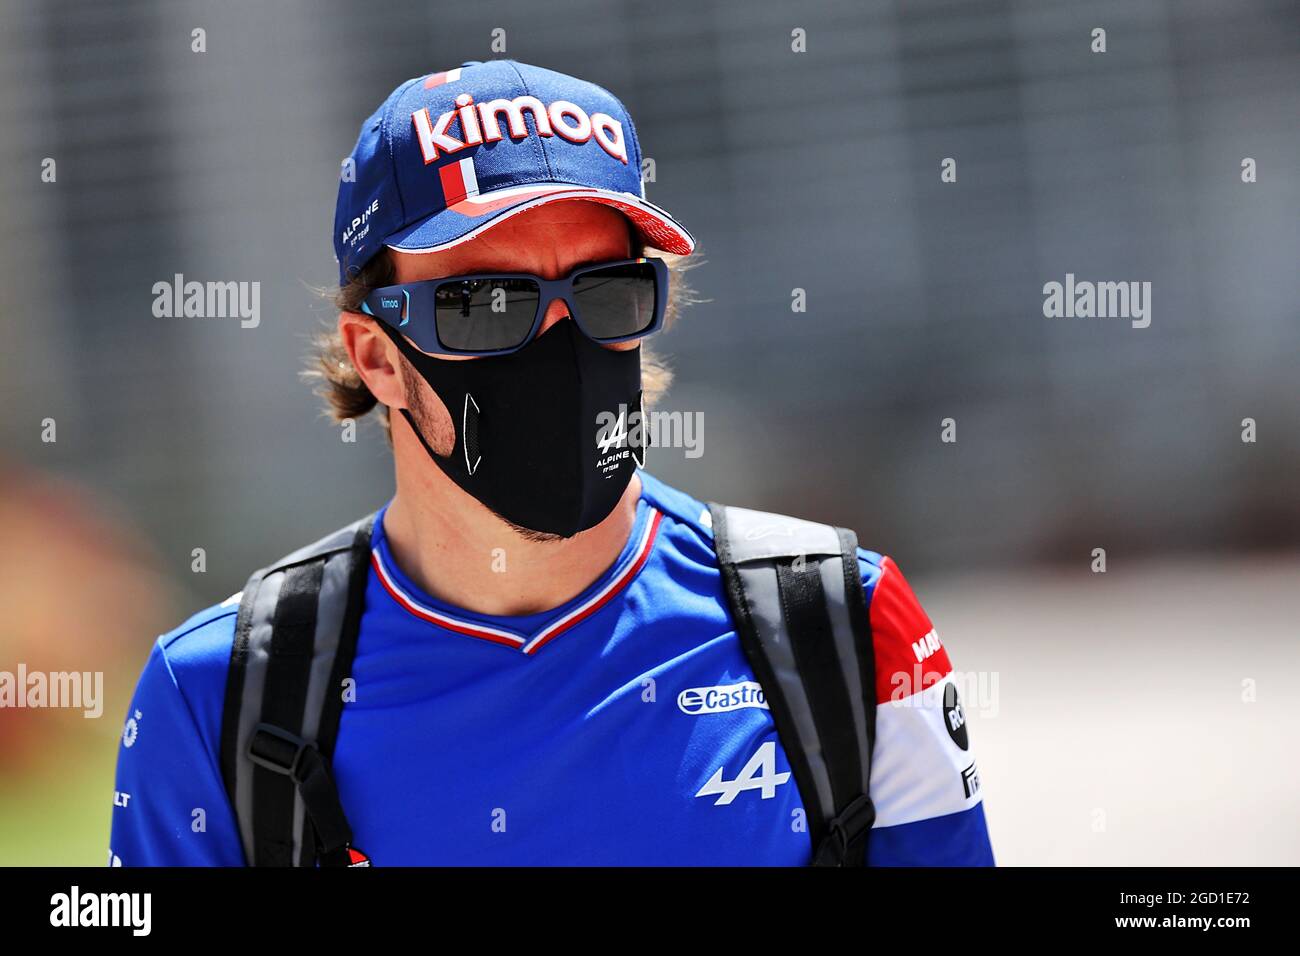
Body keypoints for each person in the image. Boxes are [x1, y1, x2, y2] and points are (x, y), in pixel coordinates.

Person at [109, 59, 994, 866]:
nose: (561, 347)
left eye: (607, 291)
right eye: (487, 303)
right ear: (375, 356)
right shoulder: (223, 696)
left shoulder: (840, 624)